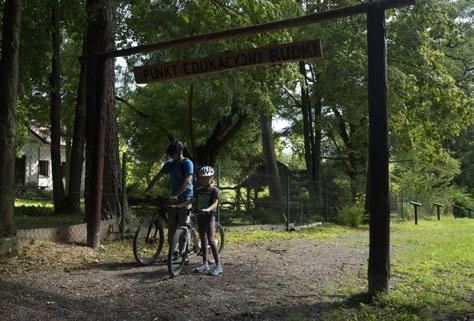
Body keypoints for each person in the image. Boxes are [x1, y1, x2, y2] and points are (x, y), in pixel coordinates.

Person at [173, 166, 222, 276]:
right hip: (200, 216)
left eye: (207, 178)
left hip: (209, 217)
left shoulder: (214, 190)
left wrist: (208, 209)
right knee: (203, 239)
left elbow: (215, 203)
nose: (205, 180)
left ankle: (218, 266)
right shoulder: (198, 190)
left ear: (212, 178)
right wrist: (180, 205)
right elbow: (192, 200)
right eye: (203, 178)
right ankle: (205, 263)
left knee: (211, 240)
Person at [143, 141, 194, 246]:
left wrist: (175, 195)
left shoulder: (187, 163)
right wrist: (147, 190)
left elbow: (188, 180)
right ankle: (173, 253)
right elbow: (157, 177)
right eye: (170, 154)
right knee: (172, 228)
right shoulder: (169, 164)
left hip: (186, 198)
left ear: (180, 151)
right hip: (173, 199)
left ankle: (183, 254)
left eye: (173, 153)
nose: (171, 156)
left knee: (183, 226)